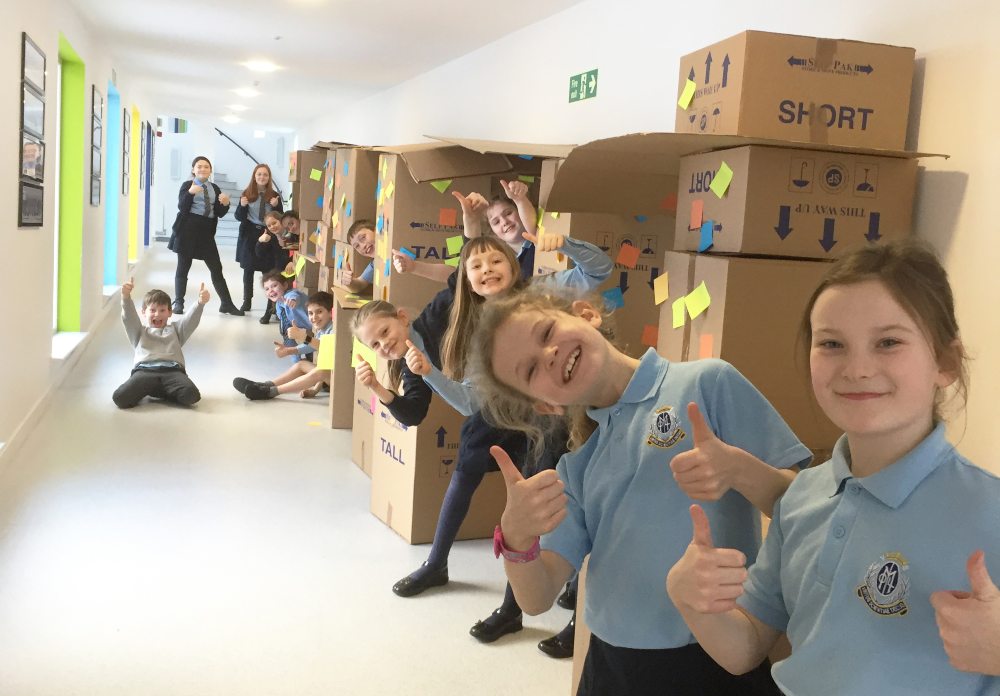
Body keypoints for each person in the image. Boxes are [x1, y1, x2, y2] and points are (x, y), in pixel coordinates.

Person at [666, 240, 1000, 695]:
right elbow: (745, 648)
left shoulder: (989, 511)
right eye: (832, 344)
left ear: (945, 362)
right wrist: (692, 601)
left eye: (888, 342)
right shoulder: (802, 497)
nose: (857, 368)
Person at [465, 283, 811, 695]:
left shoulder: (706, 384)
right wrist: (517, 536)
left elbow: (804, 508)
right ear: (545, 406)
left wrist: (738, 470)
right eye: (530, 371)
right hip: (614, 667)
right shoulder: (577, 469)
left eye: (545, 333)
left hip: (716, 653)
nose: (549, 354)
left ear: (586, 314)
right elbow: (536, 597)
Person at [369, 231, 610, 655]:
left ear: (512, 265)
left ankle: (564, 605)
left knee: (561, 504)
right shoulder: (467, 324)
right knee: (491, 489)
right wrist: (426, 371)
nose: (486, 271)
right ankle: (482, 592)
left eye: (494, 261)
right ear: (466, 278)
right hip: (499, 413)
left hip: (552, 420)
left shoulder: (540, 294)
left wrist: (567, 243)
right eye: (475, 266)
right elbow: (468, 400)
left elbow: (599, 270)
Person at [112, 277, 208, 409]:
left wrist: (200, 303)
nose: (157, 314)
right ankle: (160, 390)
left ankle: (157, 390)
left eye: (162, 310)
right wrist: (126, 297)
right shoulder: (139, 331)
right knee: (119, 398)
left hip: (173, 371)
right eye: (152, 310)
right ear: (144, 312)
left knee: (192, 395)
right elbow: (128, 317)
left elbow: (190, 320)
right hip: (144, 371)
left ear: (169, 312)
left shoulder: (175, 330)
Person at [167, 156, 243, 316]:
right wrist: (190, 193)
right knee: (183, 267)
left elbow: (220, 213)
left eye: (206, 167)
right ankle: (179, 302)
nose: (202, 169)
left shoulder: (214, 188)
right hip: (187, 230)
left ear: (210, 170)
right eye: (199, 166)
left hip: (206, 233)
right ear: (193, 169)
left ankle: (226, 304)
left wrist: (226, 203)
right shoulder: (187, 185)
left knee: (216, 268)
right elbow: (182, 207)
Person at [233, 291, 335, 401]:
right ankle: (265, 385)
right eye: (310, 313)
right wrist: (289, 350)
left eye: (319, 312)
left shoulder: (335, 329)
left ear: (331, 313)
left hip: (338, 381)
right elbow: (318, 351)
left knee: (321, 370)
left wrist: (305, 337)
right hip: (329, 377)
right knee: (301, 364)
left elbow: (326, 349)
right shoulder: (323, 329)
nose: (314, 317)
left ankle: (270, 392)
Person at [453, 178, 538, 279]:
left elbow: (533, 228)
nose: (505, 222)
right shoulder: (499, 261)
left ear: (519, 211)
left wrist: (520, 200)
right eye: (496, 222)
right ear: (493, 232)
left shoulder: (540, 236)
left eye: (508, 213)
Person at [235, 163, 283, 313]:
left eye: (265, 175)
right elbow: (239, 217)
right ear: (254, 177)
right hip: (250, 234)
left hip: (267, 234)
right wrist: (242, 206)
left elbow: (279, 218)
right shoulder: (247, 193)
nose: (262, 177)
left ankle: (272, 305)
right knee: (248, 270)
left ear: (269, 178)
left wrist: (276, 206)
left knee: (268, 271)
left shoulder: (274, 195)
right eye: (259, 174)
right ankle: (246, 301)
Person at [260, 271, 311, 365]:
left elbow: (295, 297)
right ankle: (297, 363)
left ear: (285, 285)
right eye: (267, 289)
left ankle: (305, 362)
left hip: (311, 328)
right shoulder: (278, 304)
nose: (270, 290)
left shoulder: (290, 295)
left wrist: (292, 301)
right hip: (297, 331)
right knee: (289, 340)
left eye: (274, 285)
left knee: (310, 350)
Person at [257, 211, 295, 324]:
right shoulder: (269, 237)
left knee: (287, 293)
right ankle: (270, 313)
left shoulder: (290, 235)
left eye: (274, 223)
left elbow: (297, 250)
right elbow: (259, 253)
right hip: (274, 270)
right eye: (269, 225)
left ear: (281, 221)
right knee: (273, 289)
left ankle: (283, 313)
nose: (272, 227)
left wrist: (293, 261)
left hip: (288, 270)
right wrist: (260, 241)